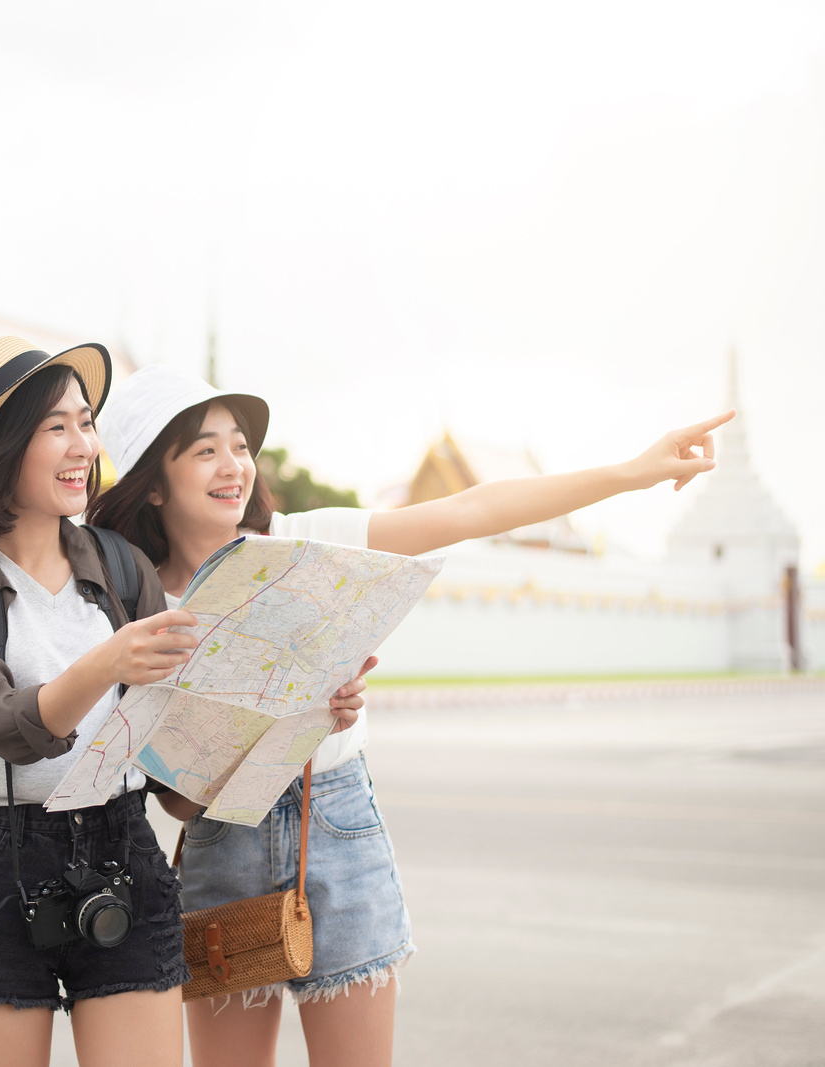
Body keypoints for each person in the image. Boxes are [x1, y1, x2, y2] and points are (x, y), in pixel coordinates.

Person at [86, 364, 731, 1067]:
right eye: (204, 449)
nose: (232, 465)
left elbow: (469, 510)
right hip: (223, 845)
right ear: (154, 482)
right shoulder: (143, 607)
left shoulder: (311, 537)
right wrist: (280, 720)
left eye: (239, 445)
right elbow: (177, 800)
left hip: (337, 826)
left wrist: (632, 472)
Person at [0, 337, 204, 1067]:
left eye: (86, 421)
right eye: (57, 426)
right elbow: (7, 724)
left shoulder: (120, 563)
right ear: (1, 448)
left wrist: (294, 707)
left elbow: (173, 769)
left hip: (124, 843)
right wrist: (107, 661)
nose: (83, 446)